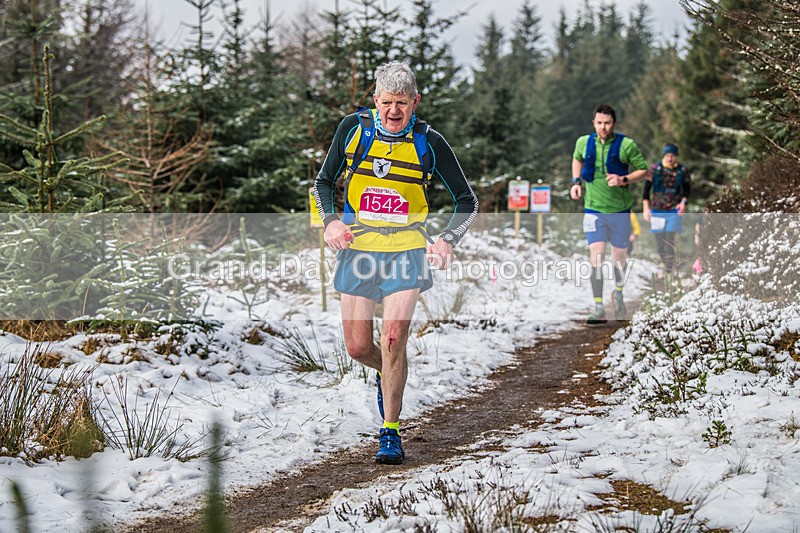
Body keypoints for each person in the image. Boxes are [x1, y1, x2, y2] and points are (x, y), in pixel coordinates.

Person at [313, 62, 478, 465]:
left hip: (406, 252)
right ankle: (387, 374)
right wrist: (332, 222)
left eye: (401, 103)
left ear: (415, 102)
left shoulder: (429, 141)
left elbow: (466, 201)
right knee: (357, 347)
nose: (393, 111)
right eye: (386, 102)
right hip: (359, 249)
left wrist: (446, 240)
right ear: (375, 101)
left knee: (392, 340)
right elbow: (322, 183)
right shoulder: (352, 129)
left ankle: (390, 430)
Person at [570, 104, 648, 324]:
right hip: (593, 209)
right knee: (596, 256)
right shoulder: (583, 142)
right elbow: (577, 158)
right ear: (594, 123)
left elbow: (643, 170)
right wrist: (576, 182)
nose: (603, 127)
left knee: (618, 258)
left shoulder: (627, 145)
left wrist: (623, 179)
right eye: (599, 123)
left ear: (614, 124)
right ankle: (598, 307)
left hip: (620, 211)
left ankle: (619, 294)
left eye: (607, 123)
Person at [642, 143, 691, 277]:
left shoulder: (682, 170)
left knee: (670, 240)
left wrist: (683, 202)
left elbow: (687, 188)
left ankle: (669, 269)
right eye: (668, 155)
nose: (670, 158)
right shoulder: (654, 168)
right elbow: (646, 189)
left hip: (673, 210)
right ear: (664, 155)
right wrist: (646, 208)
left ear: (676, 156)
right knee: (659, 241)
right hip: (657, 210)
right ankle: (664, 262)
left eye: (672, 156)